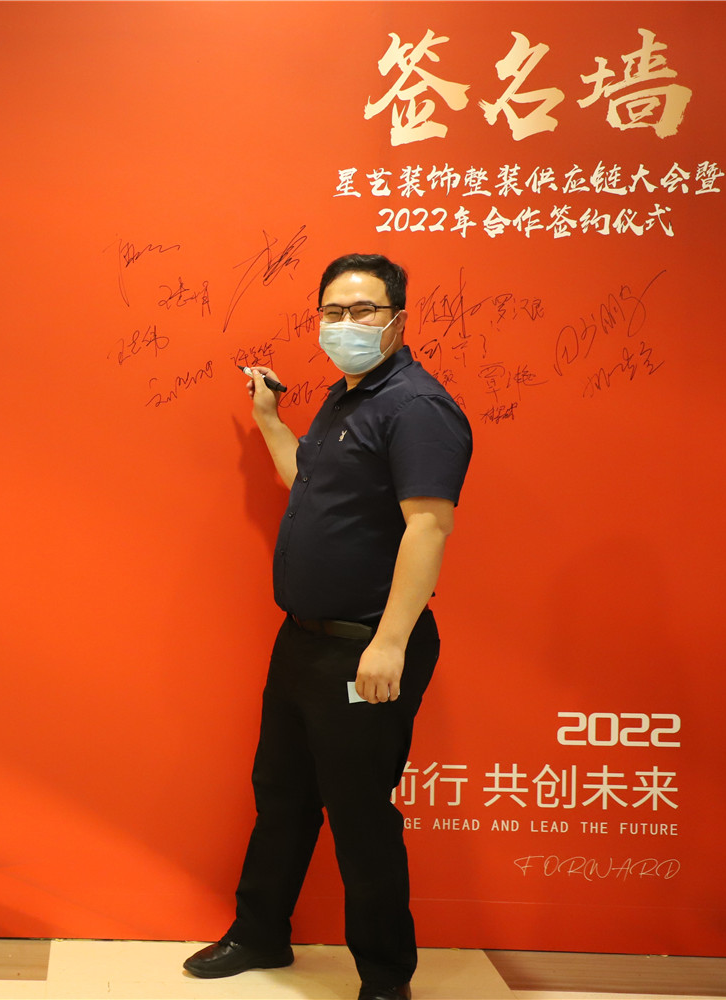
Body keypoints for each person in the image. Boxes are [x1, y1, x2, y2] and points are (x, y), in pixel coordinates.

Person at [183, 253, 473, 1000]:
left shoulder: (417, 407)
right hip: (304, 641)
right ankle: (260, 932)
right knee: (281, 793)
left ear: (397, 319)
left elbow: (429, 527)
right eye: (334, 312)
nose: (347, 324)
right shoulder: (346, 401)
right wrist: (269, 420)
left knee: (358, 814)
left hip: (365, 644)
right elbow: (305, 481)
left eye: (364, 310)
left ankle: (385, 978)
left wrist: (390, 642)